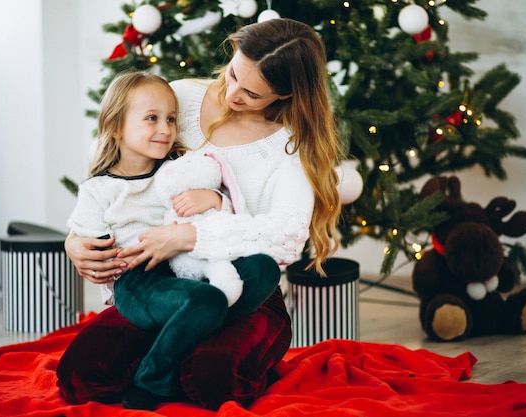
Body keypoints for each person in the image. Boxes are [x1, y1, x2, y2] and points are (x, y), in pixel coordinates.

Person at [57, 17, 343, 410]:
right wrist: (76, 242)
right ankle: (184, 340)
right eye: (233, 74)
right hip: (163, 276)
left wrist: (190, 236)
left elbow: (287, 234)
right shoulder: (178, 99)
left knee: (213, 381)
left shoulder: (290, 148)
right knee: (84, 376)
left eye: (252, 94)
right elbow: (117, 165)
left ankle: (177, 357)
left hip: (243, 283)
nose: (233, 94)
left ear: (286, 94)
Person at [66, 71, 266, 410]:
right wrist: (74, 244)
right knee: (206, 301)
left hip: (189, 266)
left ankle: (210, 324)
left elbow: (218, 219)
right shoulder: (98, 190)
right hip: (139, 279)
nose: (165, 129)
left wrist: (216, 201)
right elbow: (84, 243)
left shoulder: (178, 170)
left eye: (171, 119)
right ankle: (153, 378)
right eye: (151, 119)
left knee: (260, 269)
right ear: (116, 126)